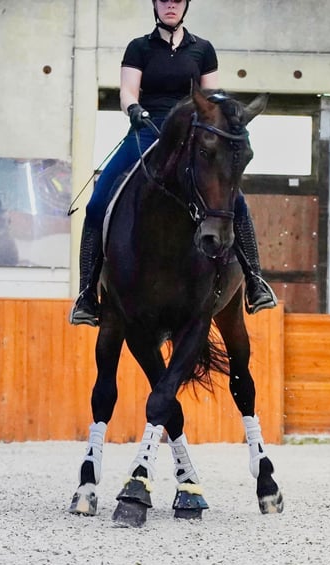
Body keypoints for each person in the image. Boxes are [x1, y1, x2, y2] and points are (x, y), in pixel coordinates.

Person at [69, 0, 276, 326]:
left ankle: (254, 281)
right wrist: (133, 109)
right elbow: (127, 91)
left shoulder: (202, 50)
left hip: (193, 136)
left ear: (185, 6)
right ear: (155, 5)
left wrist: (226, 115)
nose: (170, 5)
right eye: (164, 0)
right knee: (97, 204)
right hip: (148, 130)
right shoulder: (139, 48)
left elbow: (212, 96)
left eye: (176, 0)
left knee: (236, 202)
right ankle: (86, 296)